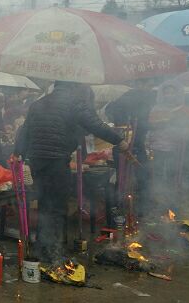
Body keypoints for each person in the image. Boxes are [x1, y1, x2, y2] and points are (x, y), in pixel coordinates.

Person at [15, 81, 126, 263]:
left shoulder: (38, 103)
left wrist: (18, 152)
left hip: (37, 162)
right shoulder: (74, 102)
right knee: (58, 207)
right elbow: (95, 124)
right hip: (57, 160)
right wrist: (119, 140)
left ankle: (42, 247)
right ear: (73, 87)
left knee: (45, 204)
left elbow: (24, 131)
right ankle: (53, 251)